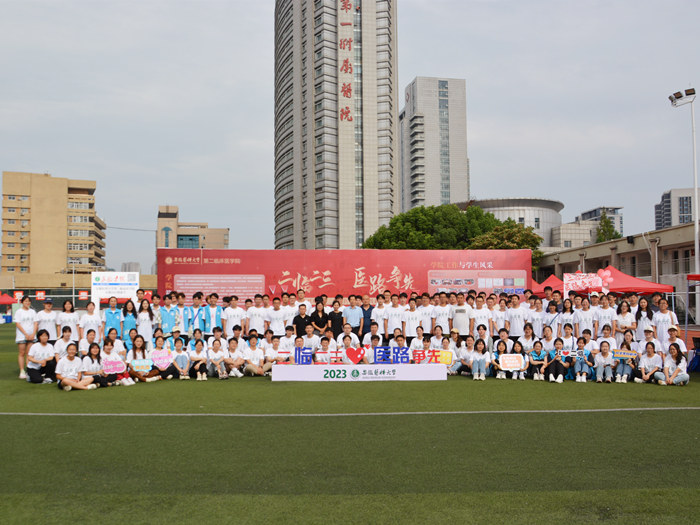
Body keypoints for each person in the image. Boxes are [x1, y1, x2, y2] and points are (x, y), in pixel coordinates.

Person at [15, 295, 37, 379]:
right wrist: (25, 334)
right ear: (22, 302)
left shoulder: (32, 312)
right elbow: (18, 324)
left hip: (31, 336)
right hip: (21, 336)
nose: (27, 303)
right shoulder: (19, 312)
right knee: (22, 353)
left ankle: (28, 370)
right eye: (26, 301)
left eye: (29, 301)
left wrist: (33, 334)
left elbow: (35, 323)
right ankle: (22, 370)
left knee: (29, 354)